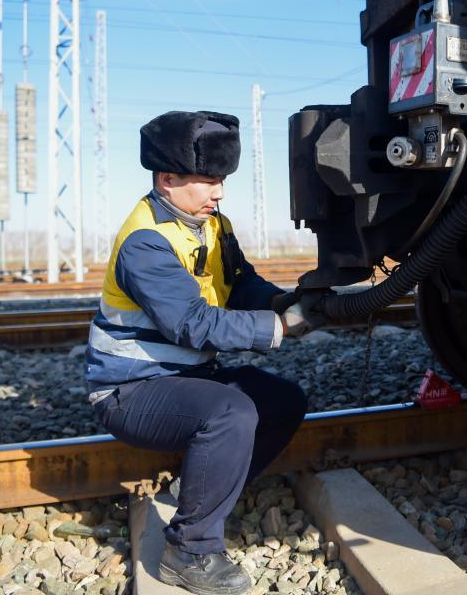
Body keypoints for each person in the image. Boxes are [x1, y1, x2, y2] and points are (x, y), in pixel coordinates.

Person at [84, 110, 316, 595]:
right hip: (129, 391)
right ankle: (189, 551)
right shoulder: (145, 242)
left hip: (185, 379)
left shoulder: (211, 224)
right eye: (209, 181)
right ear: (167, 179)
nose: (220, 192)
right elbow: (191, 324)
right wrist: (277, 328)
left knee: (284, 401)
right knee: (231, 412)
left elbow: (242, 283)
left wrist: (283, 301)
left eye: (222, 180)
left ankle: (203, 495)